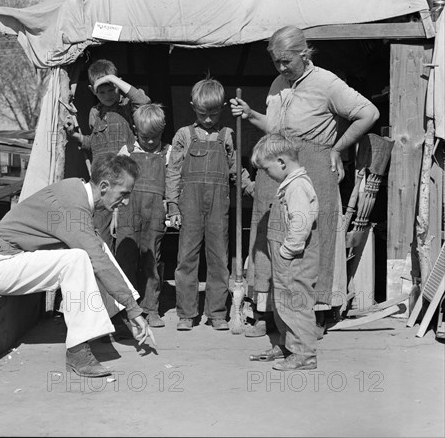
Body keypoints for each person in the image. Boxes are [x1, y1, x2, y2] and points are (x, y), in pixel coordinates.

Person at [231, 26, 379, 337]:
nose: (281, 68)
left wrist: (338, 148)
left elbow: (369, 112)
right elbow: (275, 126)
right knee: (267, 232)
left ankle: (315, 313)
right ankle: (266, 312)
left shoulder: (326, 83)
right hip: (276, 161)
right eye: (276, 62)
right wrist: (251, 114)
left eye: (286, 61)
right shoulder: (278, 83)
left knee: (313, 235)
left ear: (304, 53)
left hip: (313, 165)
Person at [0, 153, 156, 378]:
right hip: (2, 267)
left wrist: (130, 307)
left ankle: (117, 317)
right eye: (124, 194)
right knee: (78, 259)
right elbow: (98, 261)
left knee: (92, 246)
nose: (127, 202)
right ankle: (78, 353)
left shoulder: (76, 190)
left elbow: (99, 252)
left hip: (17, 260)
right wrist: (133, 308)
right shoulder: (72, 208)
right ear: (104, 186)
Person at [166, 77, 236, 331]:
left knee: (219, 257)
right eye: (203, 113)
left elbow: (235, 170)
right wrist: (173, 204)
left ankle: (217, 312)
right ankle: (186, 313)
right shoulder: (183, 135)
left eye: (214, 113)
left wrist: (250, 186)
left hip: (219, 204)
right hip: (190, 204)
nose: (208, 119)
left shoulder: (228, 135)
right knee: (186, 257)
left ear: (223, 107)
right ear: (193, 105)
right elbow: (173, 171)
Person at [248, 134, 319, 371]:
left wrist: (287, 251)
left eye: (267, 170)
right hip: (286, 258)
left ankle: (305, 354)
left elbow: (300, 224)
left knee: (296, 303)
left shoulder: (298, 186)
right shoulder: (289, 184)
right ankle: (288, 346)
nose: (267, 175)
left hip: (294, 258)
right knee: (283, 303)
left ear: (281, 162)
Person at [66, 59, 151, 249]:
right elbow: (93, 143)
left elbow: (144, 101)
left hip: (125, 180)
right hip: (102, 184)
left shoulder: (129, 106)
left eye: (111, 89)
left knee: (126, 236)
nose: (107, 95)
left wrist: (112, 78)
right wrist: (76, 136)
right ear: (92, 90)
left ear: (118, 84)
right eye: (101, 92)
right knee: (101, 237)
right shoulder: (94, 113)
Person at [115, 104, 172, 328]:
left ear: (163, 130)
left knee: (152, 262)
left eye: (155, 137)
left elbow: (173, 183)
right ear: (135, 130)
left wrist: (171, 207)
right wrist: (114, 215)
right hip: (128, 211)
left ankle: (151, 309)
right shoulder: (126, 152)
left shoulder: (167, 153)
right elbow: (117, 186)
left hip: (155, 212)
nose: (150, 142)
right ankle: (126, 309)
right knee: (125, 260)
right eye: (145, 137)